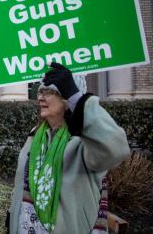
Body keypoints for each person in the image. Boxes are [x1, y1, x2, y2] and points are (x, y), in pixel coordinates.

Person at [8, 63, 130, 234]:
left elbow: (116, 149)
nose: (41, 98)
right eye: (40, 91)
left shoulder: (85, 141)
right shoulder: (36, 135)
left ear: (67, 99)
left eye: (49, 92)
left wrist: (78, 99)